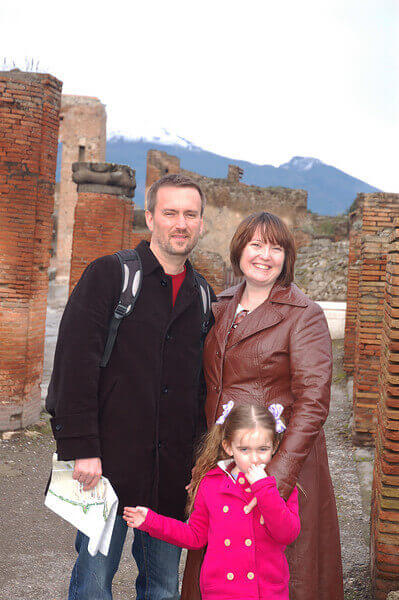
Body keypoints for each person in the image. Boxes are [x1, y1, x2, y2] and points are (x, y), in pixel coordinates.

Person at [47, 173, 215, 600]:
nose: (181, 223)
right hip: (107, 469)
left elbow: (200, 391)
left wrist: (199, 467)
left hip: (171, 474)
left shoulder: (203, 296)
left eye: (190, 215)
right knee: (94, 582)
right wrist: (83, 448)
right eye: (171, 212)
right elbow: (74, 365)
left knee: (161, 587)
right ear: (150, 217)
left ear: (201, 223)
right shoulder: (110, 275)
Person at [181, 211, 344, 600]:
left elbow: (314, 402)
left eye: (276, 247)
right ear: (239, 250)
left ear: (287, 257)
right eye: (256, 244)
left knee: (277, 575)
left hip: (280, 463)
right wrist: (203, 465)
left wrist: (277, 477)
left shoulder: (304, 315)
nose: (264, 255)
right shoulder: (219, 306)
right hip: (225, 459)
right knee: (220, 575)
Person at [124, 402, 301, 600]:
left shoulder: (278, 484)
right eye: (244, 449)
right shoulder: (211, 484)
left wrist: (264, 489)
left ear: (274, 446)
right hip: (222, 591)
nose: (254, 458)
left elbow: (288, 533)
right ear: (228, 446)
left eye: (262, 449)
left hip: (265, 591)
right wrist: (152, 521)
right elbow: (195, 536)